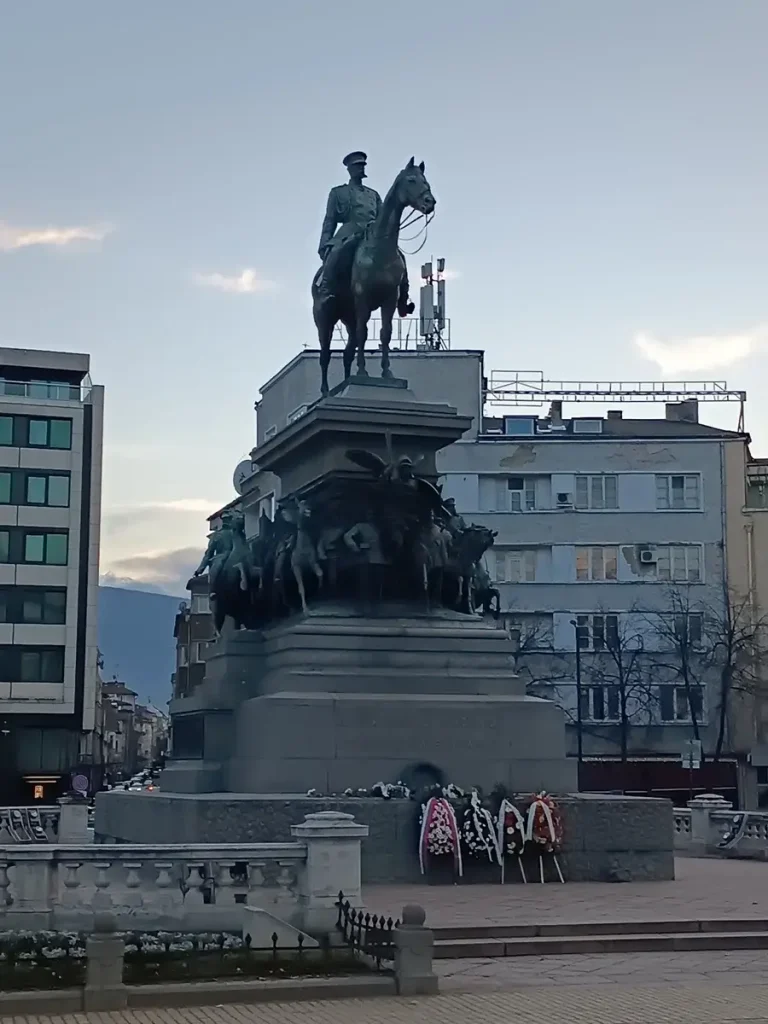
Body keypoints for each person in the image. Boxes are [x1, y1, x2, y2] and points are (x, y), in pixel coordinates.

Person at [316, 151, 381, 312]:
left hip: (371, 235)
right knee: (337, 253)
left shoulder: (373, 195)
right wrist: (324, 243)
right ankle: (326, 290)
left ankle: (402, 296)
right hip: (349, 231)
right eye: (357, 165)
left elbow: (383, 218)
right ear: (349, 169)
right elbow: (330, 220)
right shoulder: (338, 193)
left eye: (362, 165)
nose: (361, 168)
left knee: (397, 256)